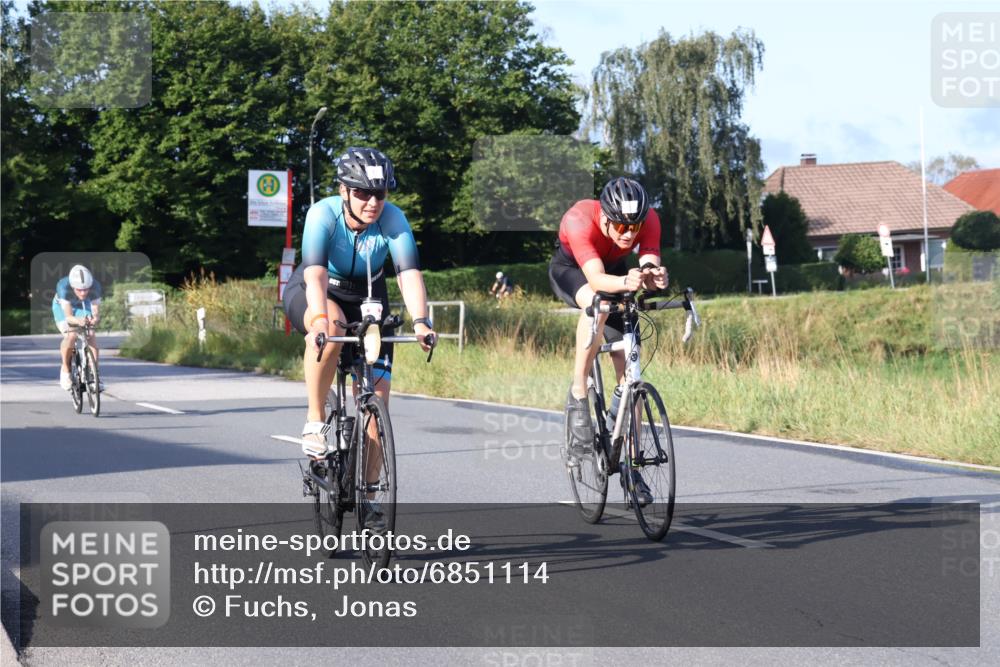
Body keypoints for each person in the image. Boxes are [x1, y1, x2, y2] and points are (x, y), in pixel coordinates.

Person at [282, 147, 436, 469]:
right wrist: (320, 322)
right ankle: (315, 417)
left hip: (369, 293)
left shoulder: (393, 219)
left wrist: (421, 322)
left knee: (377, 404)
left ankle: (370, 500)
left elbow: (408, 273)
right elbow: (316, 274)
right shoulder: (322, 215)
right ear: (344, 190)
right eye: (363, 193)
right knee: (333, 324)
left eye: (379, 194)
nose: (373, 203)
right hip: (318, 289)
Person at [548, 177, 668, 505]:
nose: (629, 233)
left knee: (631, 375)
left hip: (615, 271)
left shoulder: (649, 219)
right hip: (574, 271)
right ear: (604, 218)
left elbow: (647, 262)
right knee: (598, 304)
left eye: (635, 226)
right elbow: (597, 279)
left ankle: (632, 468)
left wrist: (653, 277)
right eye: (621, 226)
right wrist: (625, 281)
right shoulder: (580, 219)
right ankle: (578, 389)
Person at [52, 264, 104, 391]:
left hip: (83, 305)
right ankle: (65, 369)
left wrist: (94, 319)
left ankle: (94, 375)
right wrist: (78, 321)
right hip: (64, 308)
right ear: (72, 287)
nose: (83, 292)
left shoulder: (95, 287)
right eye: (79, 290)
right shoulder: (63, 287)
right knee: (72, 334)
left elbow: (96, 311)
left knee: (91, 333)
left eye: (86, 289)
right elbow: (69, 317)